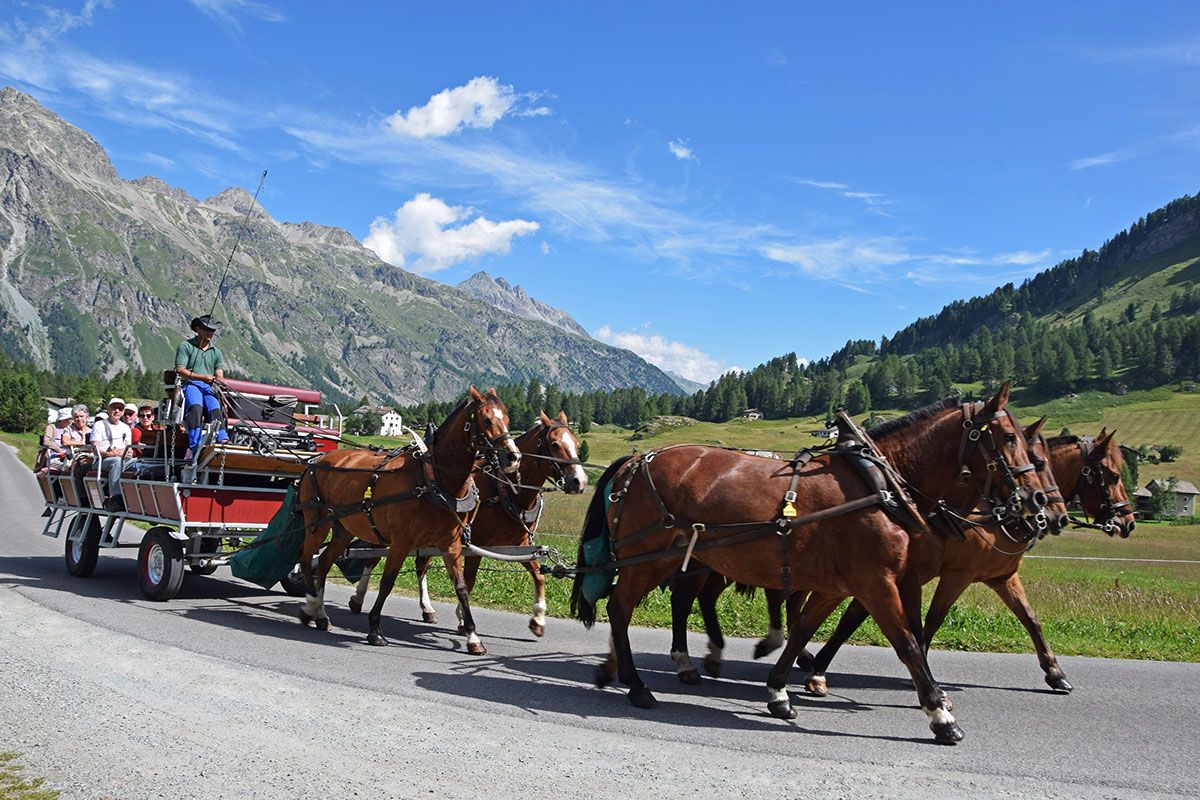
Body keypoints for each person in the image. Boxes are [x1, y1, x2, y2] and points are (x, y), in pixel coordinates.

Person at [175, 314, 230, 455]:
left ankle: (223, 438)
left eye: (212, 330)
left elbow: (219, 375)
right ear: (198, 329)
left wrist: (221, 382)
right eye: (207, 329)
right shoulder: (186, 346)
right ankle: (195, 443)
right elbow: (180, 370)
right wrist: (202, 377)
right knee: (196, 408)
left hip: (208, 386)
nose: (210, 333)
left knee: (215, 409)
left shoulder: (216, 352)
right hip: (191, 384)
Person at [93, 397, 136, 511]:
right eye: (114, 408)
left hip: (122, 458)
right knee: (117, 462)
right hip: (102, 460)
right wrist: (110, 454)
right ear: (108, 409)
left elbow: (129, 448)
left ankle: (135, 498)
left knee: (138, 463)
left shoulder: (126, 428)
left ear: (122, 411)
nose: (117, 411)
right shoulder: (99, 425)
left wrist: (126, 452)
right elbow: (95, 448)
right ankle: (114, 498)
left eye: (120, 408)